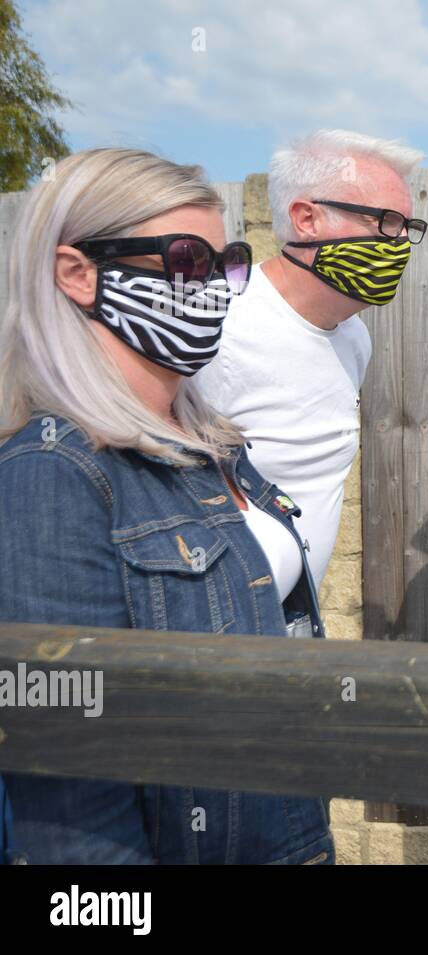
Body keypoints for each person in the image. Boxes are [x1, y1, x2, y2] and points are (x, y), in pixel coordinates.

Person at [0, 147, 333, 864]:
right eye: (185, 260)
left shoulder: (213, 445)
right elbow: (73, 806)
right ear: (77, 274)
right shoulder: (53, 471)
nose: (212, 286)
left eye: (224, 262)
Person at [194, 130, 426, 592]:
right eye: (384, 221)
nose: (398, 242)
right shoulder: (216, 327)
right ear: (306, 218)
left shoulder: (354, 337)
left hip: (296, 629)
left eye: (405, 227)